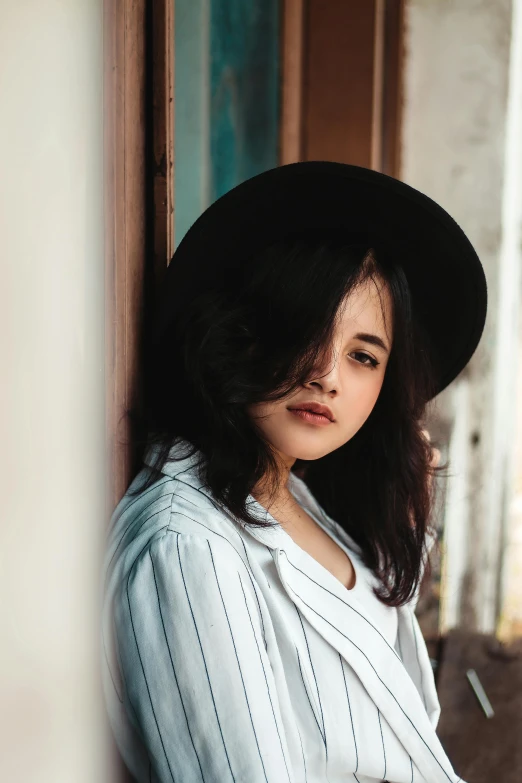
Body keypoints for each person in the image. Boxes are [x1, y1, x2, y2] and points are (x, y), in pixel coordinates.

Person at [101, 161, 487, 783]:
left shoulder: (299, 497)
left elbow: (386, 708)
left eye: (363, 355)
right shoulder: (188, 547)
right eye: (306, 332)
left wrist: (405, 516)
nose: (327, 376)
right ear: (241, 332)